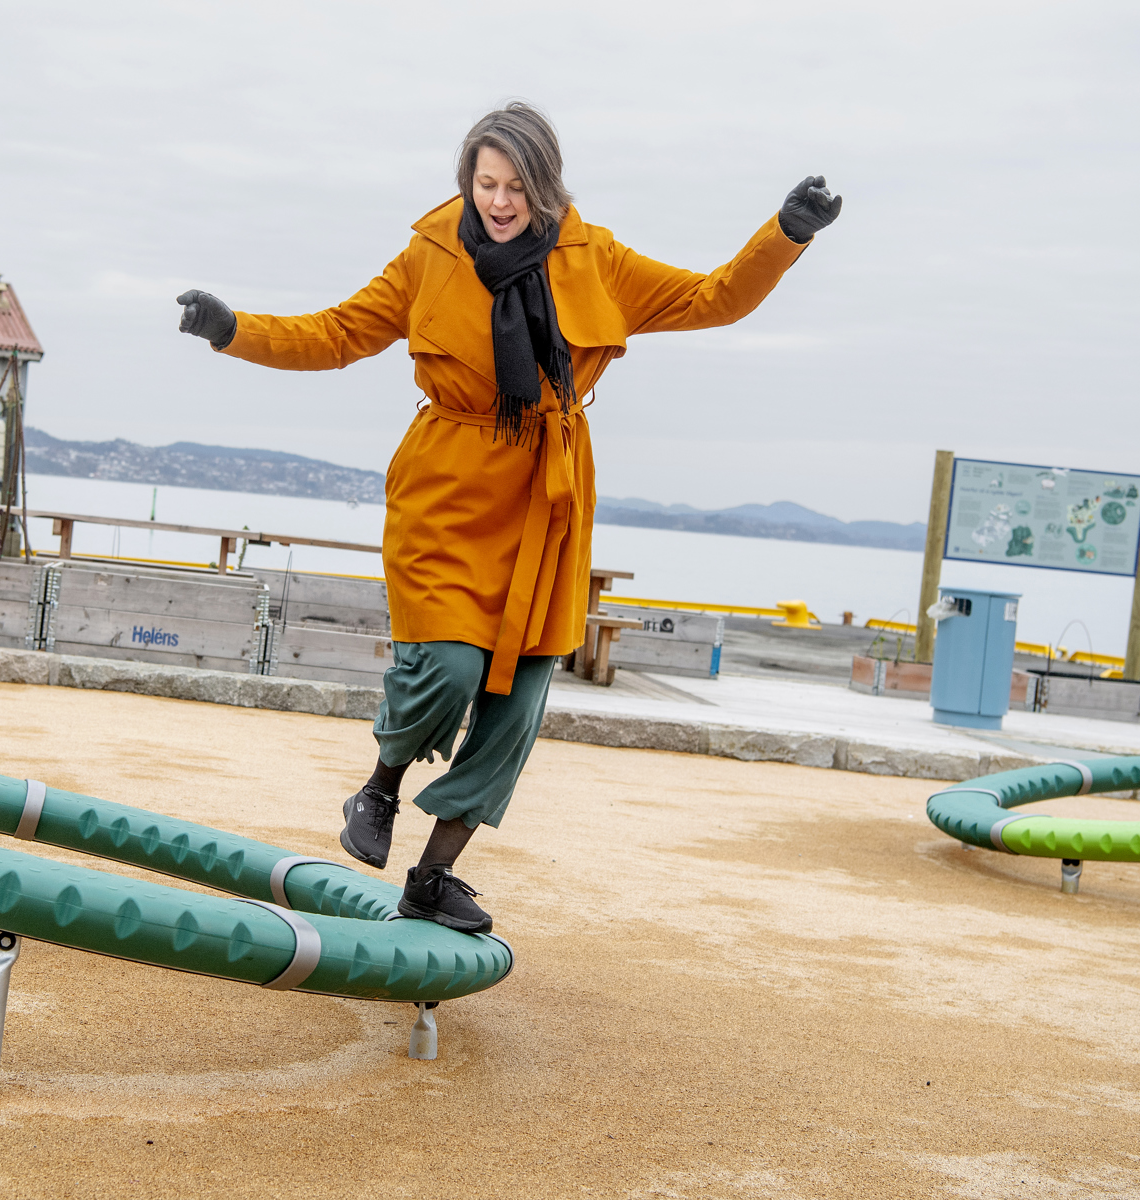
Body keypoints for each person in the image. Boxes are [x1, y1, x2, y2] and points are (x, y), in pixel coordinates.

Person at [177, 102, 840, 934]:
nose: (498, 200)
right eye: (485, 183)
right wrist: (232, 329)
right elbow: (339, 333)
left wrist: (786, 233)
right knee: (449, 669)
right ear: (468, 182)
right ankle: (380, 786)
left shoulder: (593, 257)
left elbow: (715, 298)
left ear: (545, 185)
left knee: (518, 701)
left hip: (548, 503)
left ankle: (433, 875)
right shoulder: (430, 251)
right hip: (447, 488)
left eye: (515, 186)